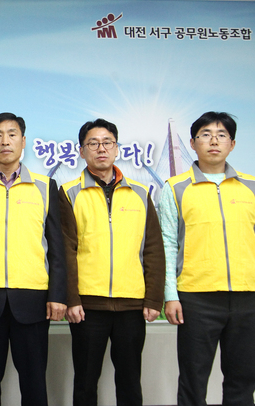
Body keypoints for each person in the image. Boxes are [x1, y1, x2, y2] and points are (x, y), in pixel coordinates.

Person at [159, 111, 255, 406]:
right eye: (205, 135)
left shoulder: (252, 186)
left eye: (221, 135)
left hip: (247, 296)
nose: (214, 141)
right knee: (193, 381)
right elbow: (167, 244)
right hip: (196, 298)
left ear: (232, 144)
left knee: (243, 381)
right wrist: (170, 294)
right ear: (192, 143)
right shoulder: (175, 187)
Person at [0, 112, 67, 406]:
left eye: (12, 134)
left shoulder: (45, 187)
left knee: (34, 384)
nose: (5, 141)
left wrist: (57, 295)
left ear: (23, 141)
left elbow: (57, 247)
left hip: (33, 300)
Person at [59, 119, 165, 406]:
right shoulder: (69, 192)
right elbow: (66, 250)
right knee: (85, 383)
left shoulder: (140, 193)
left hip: (132, 304)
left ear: (117, 149)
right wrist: (71, 299)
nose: (101, 149)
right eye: (93, 143)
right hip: (87, 306)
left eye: (107, 142)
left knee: (130, 383)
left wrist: (153, 299)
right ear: (82, 151)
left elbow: (153, 249)